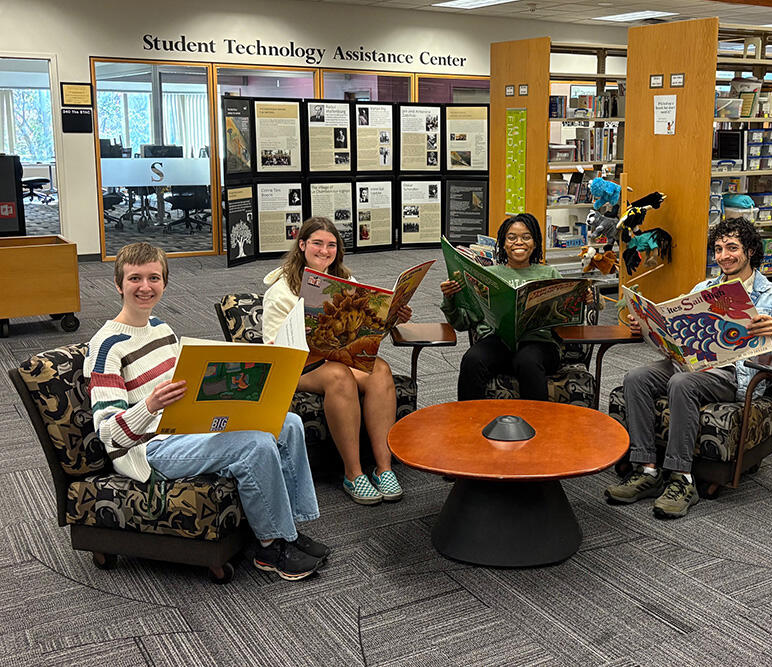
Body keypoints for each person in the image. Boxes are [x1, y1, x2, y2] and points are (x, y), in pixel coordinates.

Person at [84, 242, 327, 581]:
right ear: (118, 284)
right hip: (148, 448)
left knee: (287, 423)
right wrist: (150, 405)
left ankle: (291, 530)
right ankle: (271, 548)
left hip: (183, 427)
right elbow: (108, 433)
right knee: (252, 443)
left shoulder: (162, 329)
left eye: (154, 278)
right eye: (135, 278)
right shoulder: (106, 346)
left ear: (164, 283)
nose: (145, 287)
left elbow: (187, 392)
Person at [605, 217, 772, 519]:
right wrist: (647, 325)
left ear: (750, 250)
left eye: (732, 247)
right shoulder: (705, 288)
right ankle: (646, 469)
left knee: (683, 383)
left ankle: (682, 480)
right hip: (690, 362)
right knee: (636, 378)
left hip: (733, 374)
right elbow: (678, 331)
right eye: (719, 249)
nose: (724, 256)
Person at [262, 217, 411, 506]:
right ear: (302, 245)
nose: (324, 250)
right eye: (317, 243)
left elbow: (363, 329)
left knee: (380, 370)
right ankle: (353, 473)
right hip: (299, 366)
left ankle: (384, 468)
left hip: (337, 356)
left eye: (331, 245)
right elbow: (273, 350)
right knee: (339, 376)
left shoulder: (345, 281)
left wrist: (391, 317)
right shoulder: (279, 291)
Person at [440, 212, 580, 402]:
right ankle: (468, 424)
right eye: (512, 238)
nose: (519, 242)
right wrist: (450, 298)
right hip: (497, 340)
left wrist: (580, 300)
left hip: (539, 343)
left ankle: (537, 426)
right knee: (472, 360)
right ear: (503, 244)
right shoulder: (487, 275)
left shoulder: (550, 273)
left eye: (526, 237)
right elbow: (462, 323)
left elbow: (567, 323)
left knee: (527, 361)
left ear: (536, 242)